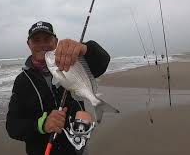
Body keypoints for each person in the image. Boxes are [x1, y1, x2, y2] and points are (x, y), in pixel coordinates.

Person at [6, 21, 111, 155]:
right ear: (29, 44)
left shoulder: (72, 62)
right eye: (36, 40)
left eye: (47, 39)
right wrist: (42, 125)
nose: (42, 45)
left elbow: (102, 61)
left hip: (77, 148)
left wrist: (85, 48)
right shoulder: (22, 81)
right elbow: (12, 126)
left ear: (56, 41)